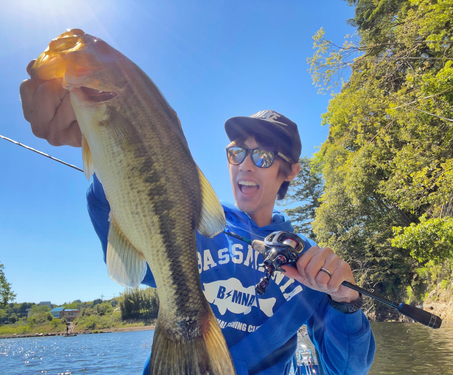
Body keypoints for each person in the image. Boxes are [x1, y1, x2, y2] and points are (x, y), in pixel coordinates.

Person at [21, 65, 375, 375]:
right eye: (237, 151)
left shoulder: (311, 264)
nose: (246, 164)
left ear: (290, 172)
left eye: (264, 156)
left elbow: (345, 368)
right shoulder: (189, 217)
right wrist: (102, 146)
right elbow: (112, 219)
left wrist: (345, 302)